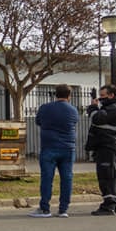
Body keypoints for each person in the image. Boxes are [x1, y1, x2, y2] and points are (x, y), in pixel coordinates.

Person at [30, 84, 79, 218]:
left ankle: (44, 208)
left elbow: (39, 122)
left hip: (49, 146)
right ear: (69, 96)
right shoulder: (73, 110)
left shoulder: (45, 108)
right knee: (67, 178)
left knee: (46, 178)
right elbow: (74, 123)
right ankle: (63, 209)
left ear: (55, 94)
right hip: (68, 148)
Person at [86, 84, 116, 215]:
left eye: (103, 96)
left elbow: (97, 119)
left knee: (107, 175)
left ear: (111, 95)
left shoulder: (114, 108)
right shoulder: (111, 107)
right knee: (115, 174)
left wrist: (93, 108)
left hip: (108, 145)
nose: (100, 98)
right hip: (110, 145)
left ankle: (108, 205)